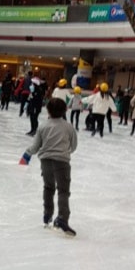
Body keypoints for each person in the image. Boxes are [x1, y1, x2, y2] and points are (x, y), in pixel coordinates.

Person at [19, 96, 78, 236]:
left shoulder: (43, 126)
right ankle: (62, 218)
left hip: (45, 161)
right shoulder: (68, 126)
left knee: (48, 187)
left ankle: (47, 216)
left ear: (48, 111)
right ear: (65, 110)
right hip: (62, 162)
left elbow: (35, 146)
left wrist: (27, 155)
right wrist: (65, 152)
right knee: (63, 191)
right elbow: (74, 145)